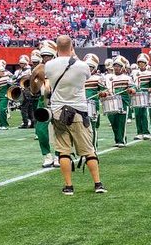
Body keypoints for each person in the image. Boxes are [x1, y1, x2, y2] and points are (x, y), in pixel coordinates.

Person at [44, 35, 106, 196]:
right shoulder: (82, 66)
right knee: (88, 150)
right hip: (78, 110)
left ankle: (68, 186)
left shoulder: (49, 65)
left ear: (56, 48)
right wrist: (74, 54)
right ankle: (98, 183)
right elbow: (86, 76)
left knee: (63, 151)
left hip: (58, 112)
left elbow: (47, 83)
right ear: (72, 47)